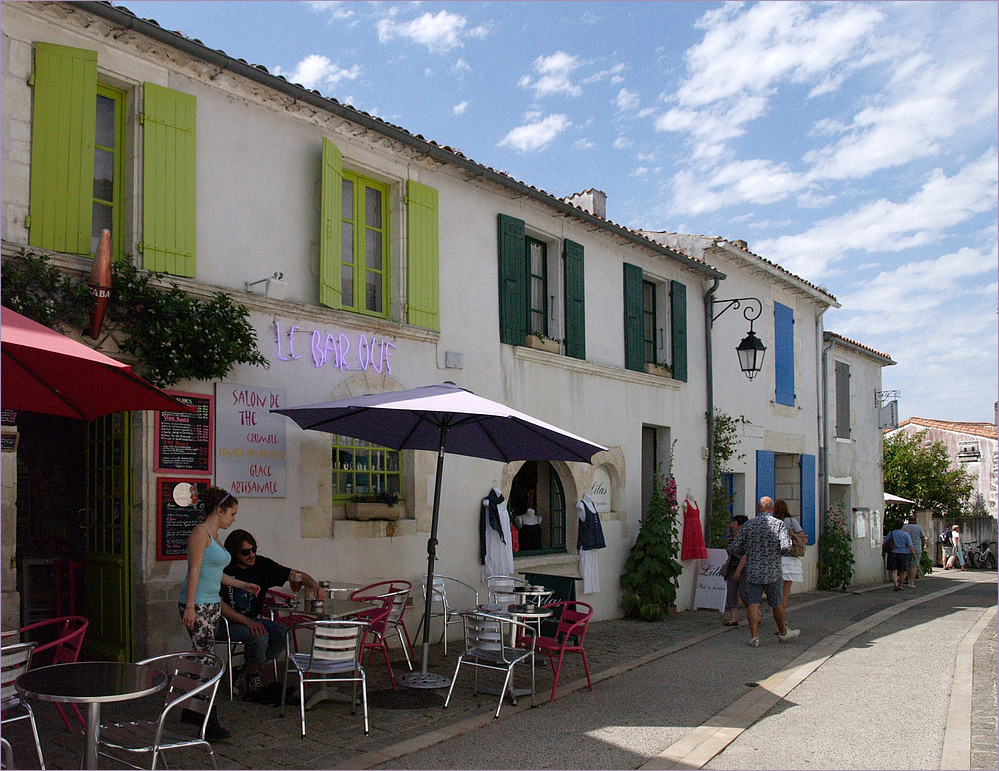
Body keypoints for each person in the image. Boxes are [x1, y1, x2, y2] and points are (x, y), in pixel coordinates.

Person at [177, 487, 259, 740]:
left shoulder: (214, 535)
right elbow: (195, 571)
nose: (234, 519)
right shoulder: (200, 534)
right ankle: (209, 721)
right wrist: (190, 606)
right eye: (232, 513)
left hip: (211, 603)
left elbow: (215, 573)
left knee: (198, 658)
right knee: (208, 660)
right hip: (198, 603)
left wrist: (241, 584)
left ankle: (189, 710)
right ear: (219, 510)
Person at [221, 529, 325, 696]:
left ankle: (246, 670)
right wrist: (248, 622)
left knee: (283, 634)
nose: (252, 555)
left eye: (254, 549)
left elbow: (294, 574)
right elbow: (220, 606)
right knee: (259, 636)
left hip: (251, 619)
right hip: (226, 622)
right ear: (234, 554)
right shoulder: (225, 569)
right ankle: (253, 677)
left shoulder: (262, 565)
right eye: (246, 552)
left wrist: (313, 584)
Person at [730, 497, 799, 647]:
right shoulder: (779, 525)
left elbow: (735, 546)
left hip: (754, 571)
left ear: (758, 508)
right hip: (772, 570)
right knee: (776, 604)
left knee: (753, 604)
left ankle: (754, 637)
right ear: (772, 509)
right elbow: (786, 548)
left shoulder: (749, 525)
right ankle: (782, 632)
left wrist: (748, 551)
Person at [773, 499, 804, 616]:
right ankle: (780, 621)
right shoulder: (792, 522)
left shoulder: (772, 522)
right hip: (790, 559)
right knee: (785, 594)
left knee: (775, 593)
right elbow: (803, 538)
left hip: (775, 559)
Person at [723, 515, 749, 626]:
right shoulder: (732, 538)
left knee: (744, 593)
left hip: (744, 568)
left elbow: (746, 555)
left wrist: (739, 570)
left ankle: (756, 612)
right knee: (731, 592)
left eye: (734, 523)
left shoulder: (747, 539)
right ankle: (734, 617)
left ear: (740, 525)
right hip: (732, 567)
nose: (731, 525)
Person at [883, 519, 917, 591]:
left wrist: (883, 552)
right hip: (903, 553)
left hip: (892, 552)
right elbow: (910, 545)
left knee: (894, 570)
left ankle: (895, 584)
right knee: (903, 570)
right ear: (902, 526)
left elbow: (885, 543)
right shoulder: (906, 534)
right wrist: (914, 554)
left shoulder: (891, 533)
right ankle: (900, 585)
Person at [901, 513, 926, 587]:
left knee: (907, 565)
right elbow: (923, 538)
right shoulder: (919, 528)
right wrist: (922, 546)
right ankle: (911, 582)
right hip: (916, 548)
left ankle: (906, 579)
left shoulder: (905, 527)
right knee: (914, 566)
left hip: (906, 548)